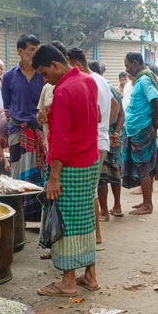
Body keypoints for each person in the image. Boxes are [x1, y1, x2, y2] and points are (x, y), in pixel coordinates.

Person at [31, 44, 101, 297]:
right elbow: (93, 117)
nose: (44, 79)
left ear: (55, 65)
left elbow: (60, 140)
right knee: (85, 218)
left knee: (67, 221)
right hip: (90, 160)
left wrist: (54, 177)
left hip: (70, 164)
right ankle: (90, 276)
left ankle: (68, 281)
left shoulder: (62, 91)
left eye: (44, 73)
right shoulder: (87, 80)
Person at [68, 48, 116, 244]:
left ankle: (95, 235)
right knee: (92, 189)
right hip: (100, 139)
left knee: (89, 191)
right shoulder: (101, 79)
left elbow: (97, 113)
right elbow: (114, 105)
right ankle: (93, 234)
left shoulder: (87, 81)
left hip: (93, 142)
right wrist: (106, 129)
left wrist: (99, 129)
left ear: (76, 64)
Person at [1, 33, 46, 221]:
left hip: (40, 132)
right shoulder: (9, 77)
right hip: (17, 132)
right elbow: (6, 107)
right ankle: (21, 218)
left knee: (42, 172)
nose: (35, 54)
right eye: (31, 50)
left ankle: (39, 216)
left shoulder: (43, 75)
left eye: (36, 50)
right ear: (21, 51)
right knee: (18, 174)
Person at [121, 52, 158, 215]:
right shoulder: (142, 79)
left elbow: (157, 102)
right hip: (137, 127)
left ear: (136, 63)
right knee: (147, 165)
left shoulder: (144, 80)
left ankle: (147, 204)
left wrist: (153, 121)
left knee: (143, 166)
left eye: (128, 65)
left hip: (141, 128)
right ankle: (147, 201)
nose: (127, 69)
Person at [91, 60, 125, 220]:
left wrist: (106, 127)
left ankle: (104, 210)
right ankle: (117, 206)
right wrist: (116, 132)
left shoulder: (96, 87)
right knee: (115, 172)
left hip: (102, 137)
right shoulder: (112, 89)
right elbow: (121, 114)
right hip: (113, 137)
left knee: (102, 176)